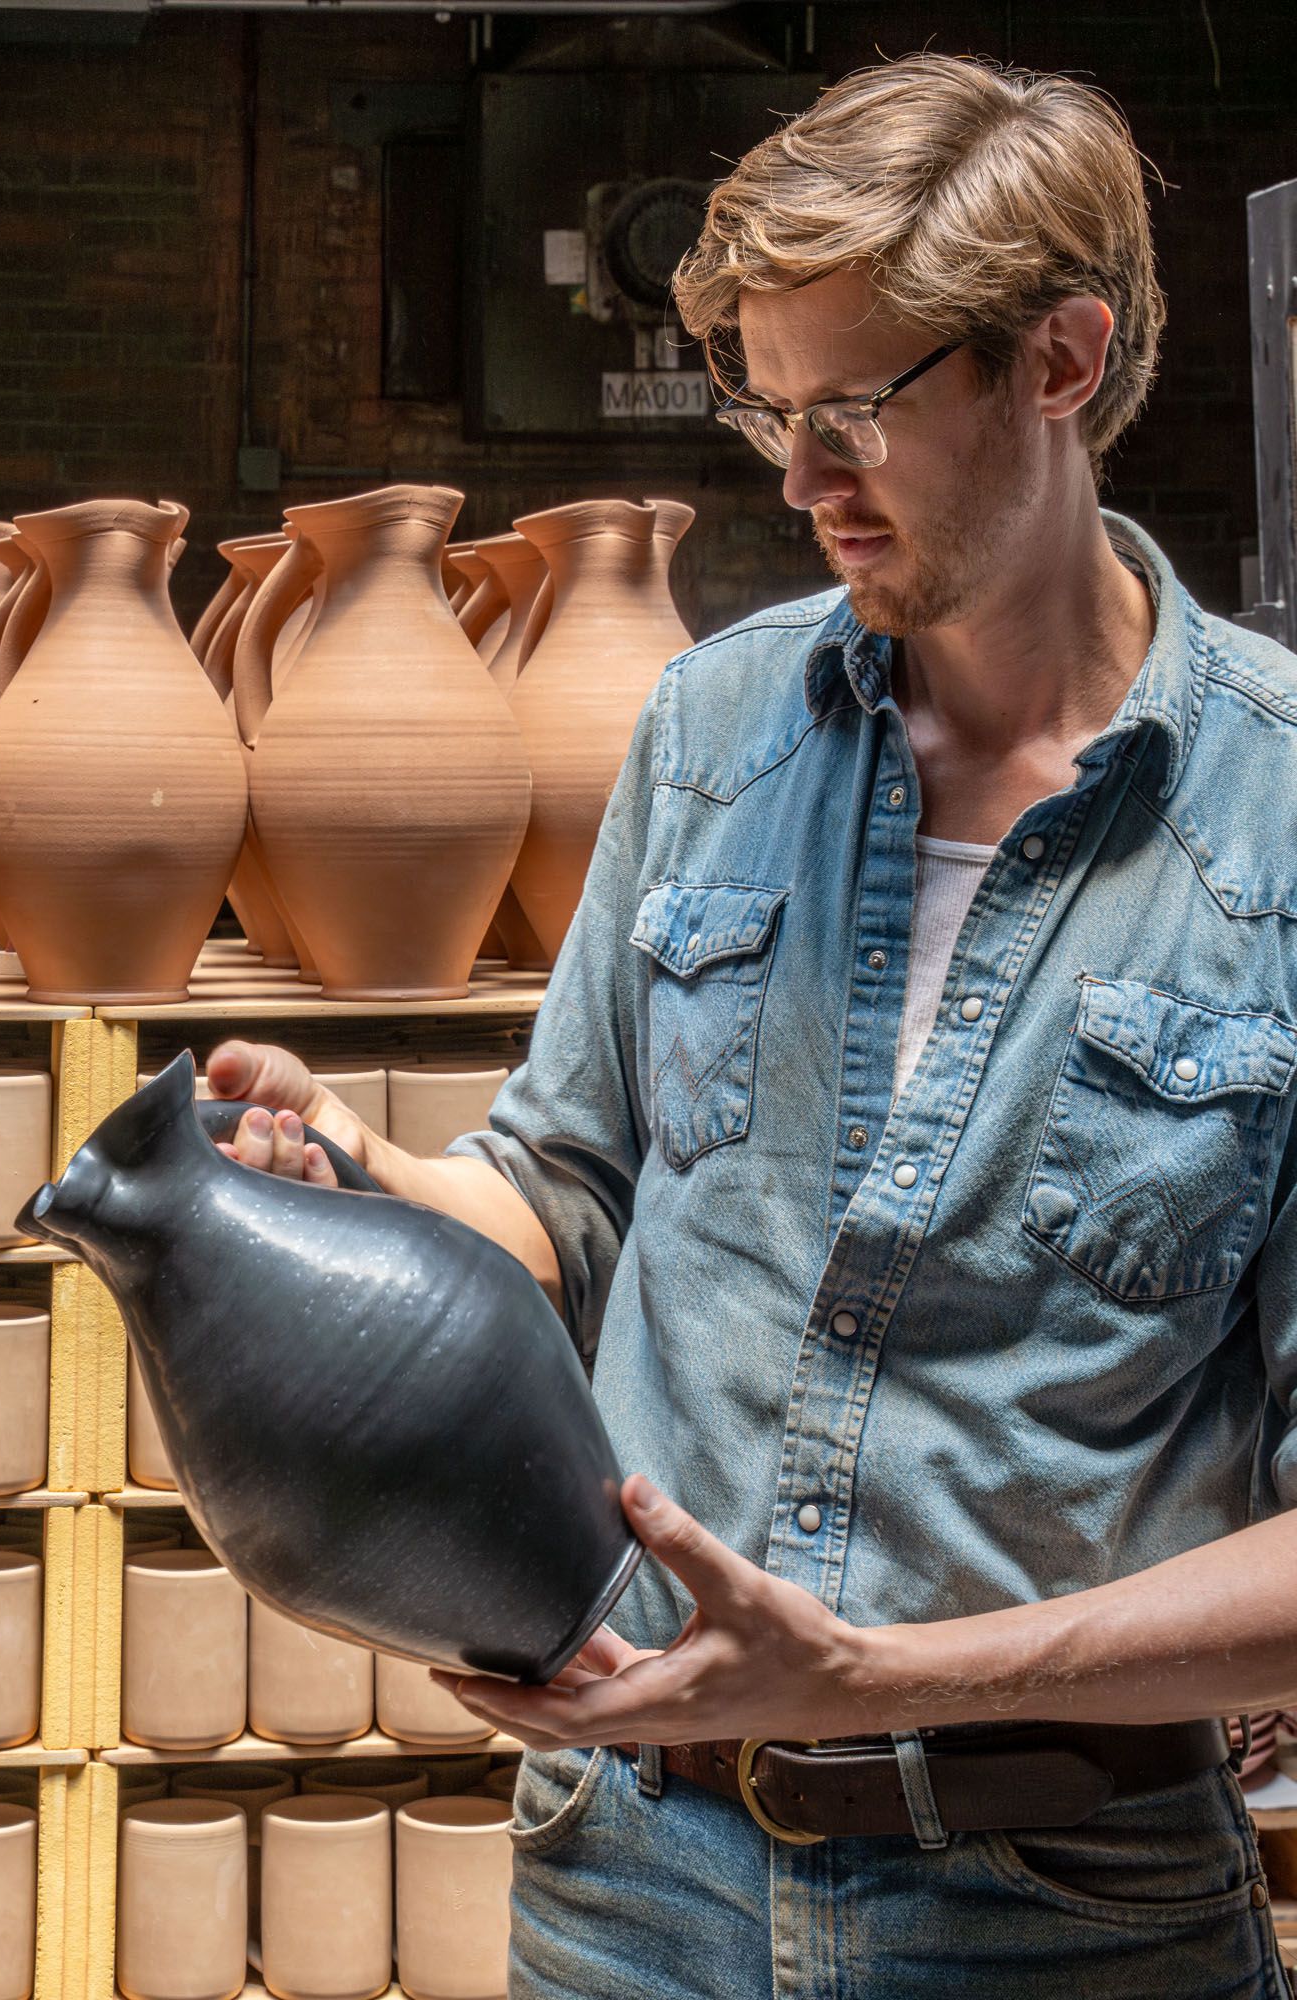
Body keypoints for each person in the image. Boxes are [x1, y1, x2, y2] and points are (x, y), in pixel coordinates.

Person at [204, 52, 1297, 1997]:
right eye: (766, 411)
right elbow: (575, 1184)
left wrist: (882, 1677)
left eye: (853, 410)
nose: (794, 481)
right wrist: (356, 1182)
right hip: (634, 1882)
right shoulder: (709, 733)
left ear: (1061, 361)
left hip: (1066, 1916)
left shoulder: (1278, 826)